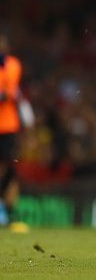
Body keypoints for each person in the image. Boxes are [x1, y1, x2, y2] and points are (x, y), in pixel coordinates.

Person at [0, 34, 28, 233]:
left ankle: (9, 216)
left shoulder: (12, 65)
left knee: (9, 171)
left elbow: (5, 95)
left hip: (7, 127)